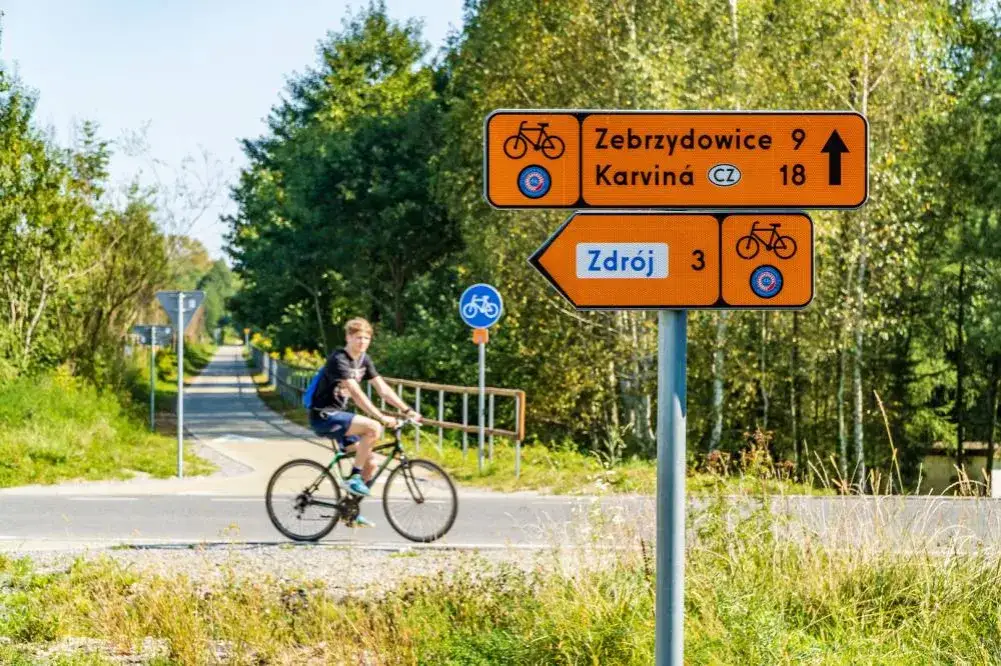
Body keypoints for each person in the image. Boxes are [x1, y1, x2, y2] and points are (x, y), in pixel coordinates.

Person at [308, 317, 421, 527]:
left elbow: (383, 389)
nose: (362, 342)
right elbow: (357, 393)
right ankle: (354, 478)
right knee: (373, 428)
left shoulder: (363, 360)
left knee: (371, 464)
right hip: (324, 416)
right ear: (348, 337)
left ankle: (349, 510)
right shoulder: (339, 359)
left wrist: (406, 410)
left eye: (366, 338)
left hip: (340, 418)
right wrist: (380, 417)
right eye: (358, 337)